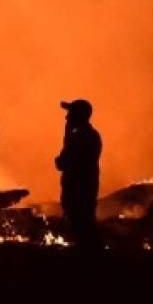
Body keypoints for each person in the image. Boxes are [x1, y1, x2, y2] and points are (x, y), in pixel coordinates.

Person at [55, 99, 102, 253]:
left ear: (79, 116)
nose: (66, 118)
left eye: (70, 113)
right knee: (85, 225)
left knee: (82, 227)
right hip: (83, 189)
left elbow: (61, 163)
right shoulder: (91, 135)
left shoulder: (79, 138)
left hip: (78, 191)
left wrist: (67, 136)